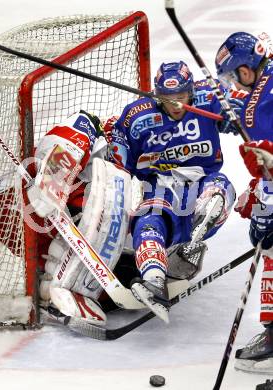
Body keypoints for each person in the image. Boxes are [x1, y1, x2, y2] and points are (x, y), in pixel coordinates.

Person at [107, 61, 236, 321]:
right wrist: (112, 139)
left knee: (220, 193)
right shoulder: (138, 117)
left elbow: (246, 113)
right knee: (149, 222)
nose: (177, 104)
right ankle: (153, 279)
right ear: (157, 95)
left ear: (191, 91)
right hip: (159, 185)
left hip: (203, 178)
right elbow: (118, 155)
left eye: (182, 97)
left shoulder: (209, 97)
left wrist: (238, 117)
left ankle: (190, 240)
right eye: (168, 98)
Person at [0, 110, 133, 327]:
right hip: (13, 203)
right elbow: (65, 141)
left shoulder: (130, 169)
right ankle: (61, 289)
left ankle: (54, 290)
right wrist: (53, 179)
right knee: (109, 191)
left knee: (122, 275)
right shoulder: (90, 127)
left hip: (38, 229)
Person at [215, 31, 273, 372]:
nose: (235, 83)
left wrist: (266, 205)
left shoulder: (257, 106)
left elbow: (269, 167)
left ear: (246, 70)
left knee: (270, 247)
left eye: (234, 76)